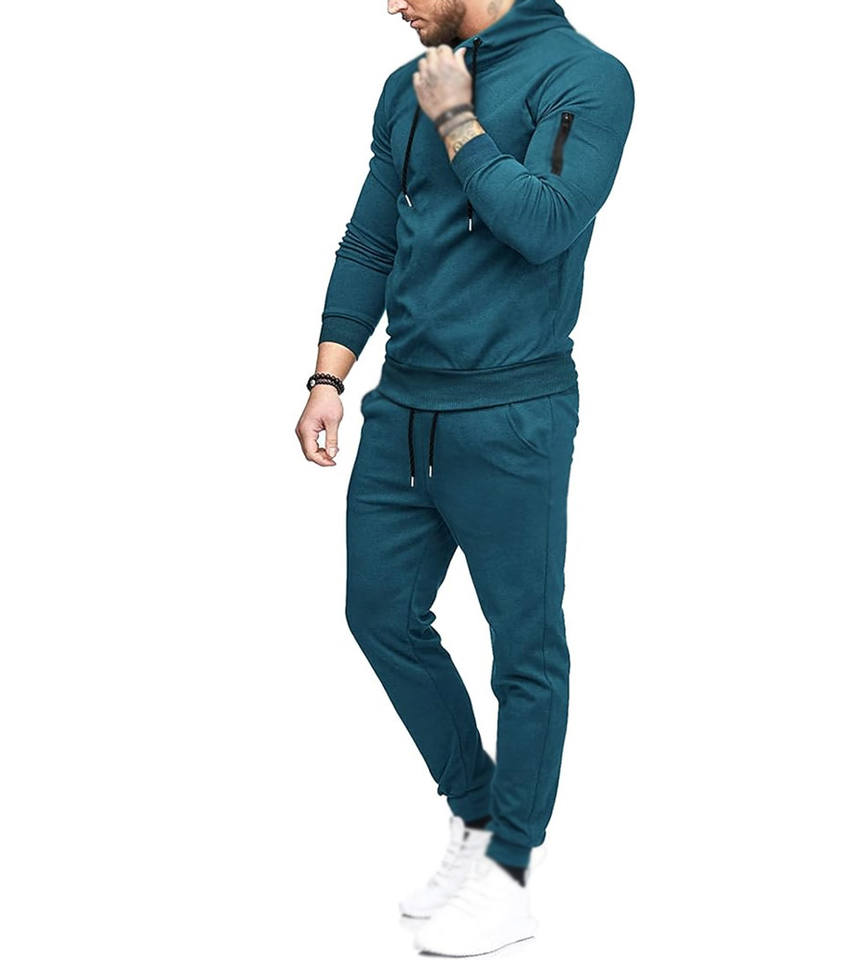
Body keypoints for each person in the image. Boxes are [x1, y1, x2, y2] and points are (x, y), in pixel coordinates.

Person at [295, 0, 634, 953]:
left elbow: (545, 224)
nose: (391, 4)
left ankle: (511, 871)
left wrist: (457, 118)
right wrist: (328, 377)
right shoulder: (403, 85)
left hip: (512, 412)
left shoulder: (586, 76)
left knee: (525, 648)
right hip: (403, 408)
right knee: (380, 614)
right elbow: (371, 240)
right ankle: (478, 815)